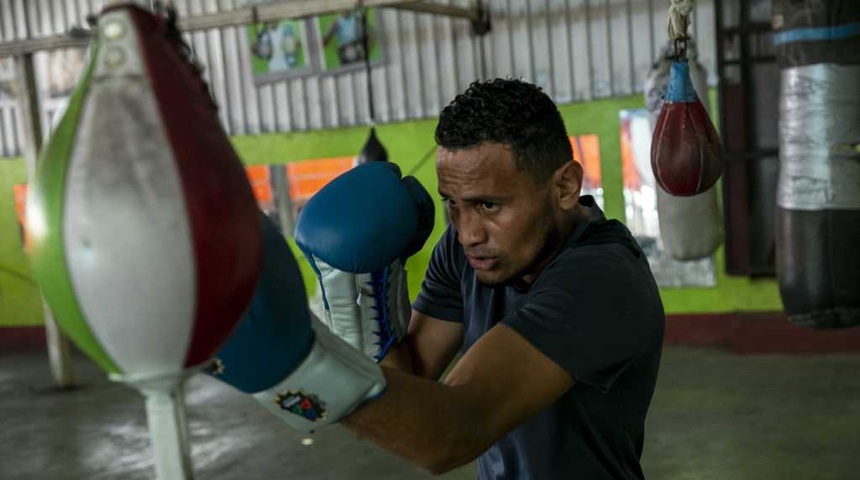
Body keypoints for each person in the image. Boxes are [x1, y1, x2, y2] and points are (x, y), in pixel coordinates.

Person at [215, 78, 666, 480]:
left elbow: (451, 434)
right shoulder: (465, 250)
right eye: (453, 203)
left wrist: (295, 368)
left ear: (564, 187)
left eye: (489, 205)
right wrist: (373, 289)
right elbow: (416, 386)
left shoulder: (602, 278)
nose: (467, 232)